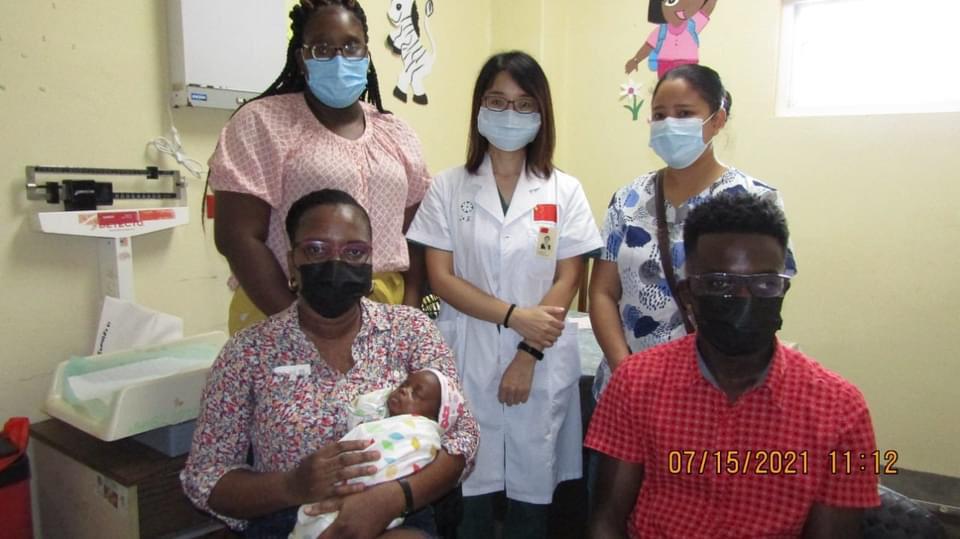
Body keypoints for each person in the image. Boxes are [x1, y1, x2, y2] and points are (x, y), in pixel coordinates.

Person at [181, 189, 479, 538]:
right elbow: (206, 476)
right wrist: (291, 486)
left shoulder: (410, 331)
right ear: (293, 263)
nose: (336, 263)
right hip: (287, 518)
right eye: (316, 250)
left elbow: (463, 436)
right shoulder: (248, 352)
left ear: (370, 262)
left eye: (354, 252)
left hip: (396, 512)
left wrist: (390, 499)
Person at [586, 193, 880, 538]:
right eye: (721, 284)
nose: (744, 299)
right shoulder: (637, 384)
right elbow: (606, 522)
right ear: (688, 295)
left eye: (764, 284)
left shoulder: (842, 410)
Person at [406, 51, 603, 539]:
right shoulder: (449, 187)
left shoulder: (564, 190)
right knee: (468, 489)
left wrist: (528, 351)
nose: (509, 115)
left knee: (532, 500)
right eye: (497, 102)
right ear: (479, 109)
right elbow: (441, 277)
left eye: (522, 104)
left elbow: (569, 277)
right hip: (467, 353)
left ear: (541, 114)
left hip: (539, 356)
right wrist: (516, 317)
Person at [208, 0, 430, 334]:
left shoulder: (396, 132)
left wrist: (407, 318)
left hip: (383, 315)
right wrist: (303, 329)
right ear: (302, 57)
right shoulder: (263, 123)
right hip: (282, 309)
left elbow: (417, 236)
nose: (339, 59)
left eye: (351, 46)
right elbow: (237, 237)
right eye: (323, 48)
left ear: (367, 54)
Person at [589, 63, 798, 402]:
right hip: (625, 390)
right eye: (659, 115)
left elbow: (764, 299)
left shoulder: (754, 199)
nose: (669, 124)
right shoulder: (628, 200)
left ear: (717, 119)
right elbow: (602, 293)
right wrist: (625, 372)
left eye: (684, 113)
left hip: (711, 393)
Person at [291, 368, 466, 539]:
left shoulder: (422, 432)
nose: (404, 390)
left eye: (416, 394)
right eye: (404, 384)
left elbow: (458, 444)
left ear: (435, 417)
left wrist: (388, 499)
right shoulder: (378, 419)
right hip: (317, 495)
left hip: (394, 508)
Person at [624, 0, 718, 79]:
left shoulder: (693, 25)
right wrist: (635, 60)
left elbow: (707, 9)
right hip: (665, 66)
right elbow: (648, 46)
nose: (681, 6)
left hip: (689, 66)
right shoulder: (661, 31)